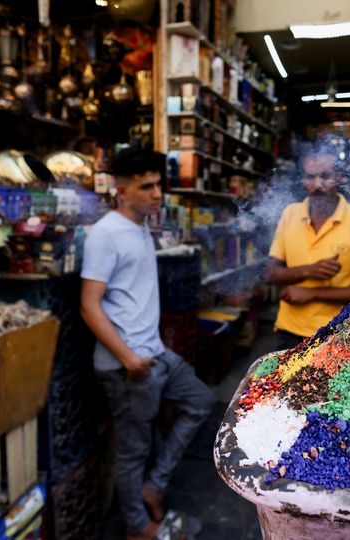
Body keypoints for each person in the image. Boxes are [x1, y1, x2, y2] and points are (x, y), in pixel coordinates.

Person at [80, 147, 215, 540]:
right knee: (132, 450)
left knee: (200, 402)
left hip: (153, 354)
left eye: (160, 184)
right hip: (128, 365)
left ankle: (154, 486)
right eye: (147, 186)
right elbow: (90, 306)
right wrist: (128, 359)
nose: (158, 194)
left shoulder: (140, 226)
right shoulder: (105, 233)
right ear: (121, 190)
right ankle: (137, 527)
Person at [266, 146, 350, 350]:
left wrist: (313, 293)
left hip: (337, 331)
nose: (318, 185)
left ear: (339, 178)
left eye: (325, 176)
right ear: (303, 180)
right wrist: (309, 271)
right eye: (310, 177)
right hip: (289, 330)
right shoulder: (290, 213)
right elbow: (269, 273)